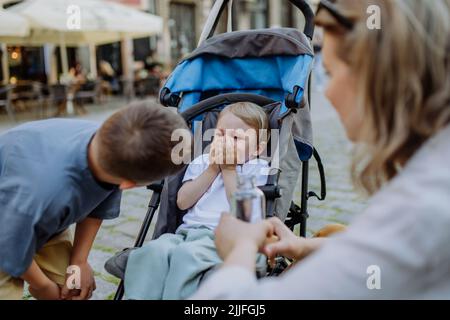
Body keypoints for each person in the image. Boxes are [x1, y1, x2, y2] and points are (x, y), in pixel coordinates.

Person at [192, 0, 450, 299]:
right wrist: (305, 246)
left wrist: (240, 252)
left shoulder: (423, 206)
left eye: (329, 72)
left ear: (374, 77)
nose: (326, 90)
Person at [0, 101, 188, 300]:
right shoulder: (45, 191)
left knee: (71, 289)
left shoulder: (112, 149)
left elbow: (95, 209)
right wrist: (43, 286)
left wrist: (78, 262)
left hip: (41, 224)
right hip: (7, 229)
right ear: (129, 184)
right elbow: (8, 246)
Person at [123, 102, 270, 299]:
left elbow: (244, 212)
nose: (226, 141)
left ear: (257, 149)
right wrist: (211, 170)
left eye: (236, 138)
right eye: (220, 134)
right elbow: (182, 202)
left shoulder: (257, 168)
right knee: (154, 250)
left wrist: (228, 170)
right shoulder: (202, 162)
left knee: (186, 255)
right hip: (186, 233)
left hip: (224, 239)